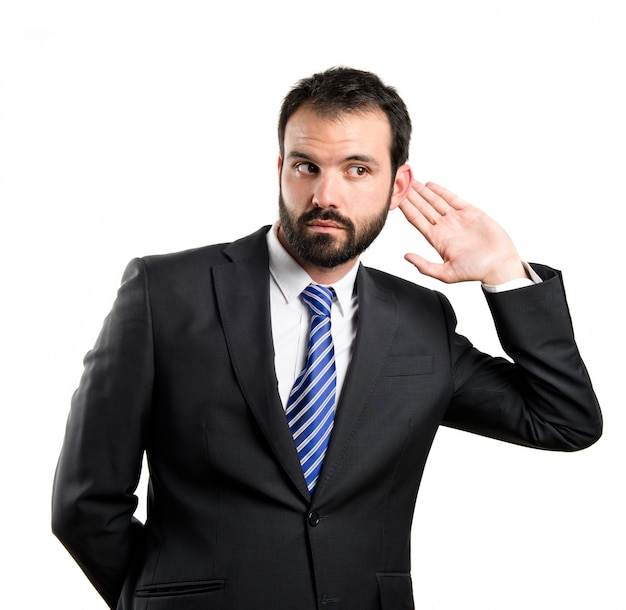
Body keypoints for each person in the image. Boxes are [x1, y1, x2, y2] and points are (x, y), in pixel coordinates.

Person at [51, 66, 602, 610]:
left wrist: (505, 274)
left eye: (357, 169)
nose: (324, 195)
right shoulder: (164, 294)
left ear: (397, 184)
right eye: (306, 166)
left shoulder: (420, 320)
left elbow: (562, 419)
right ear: (281, 169)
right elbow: (85, 504)